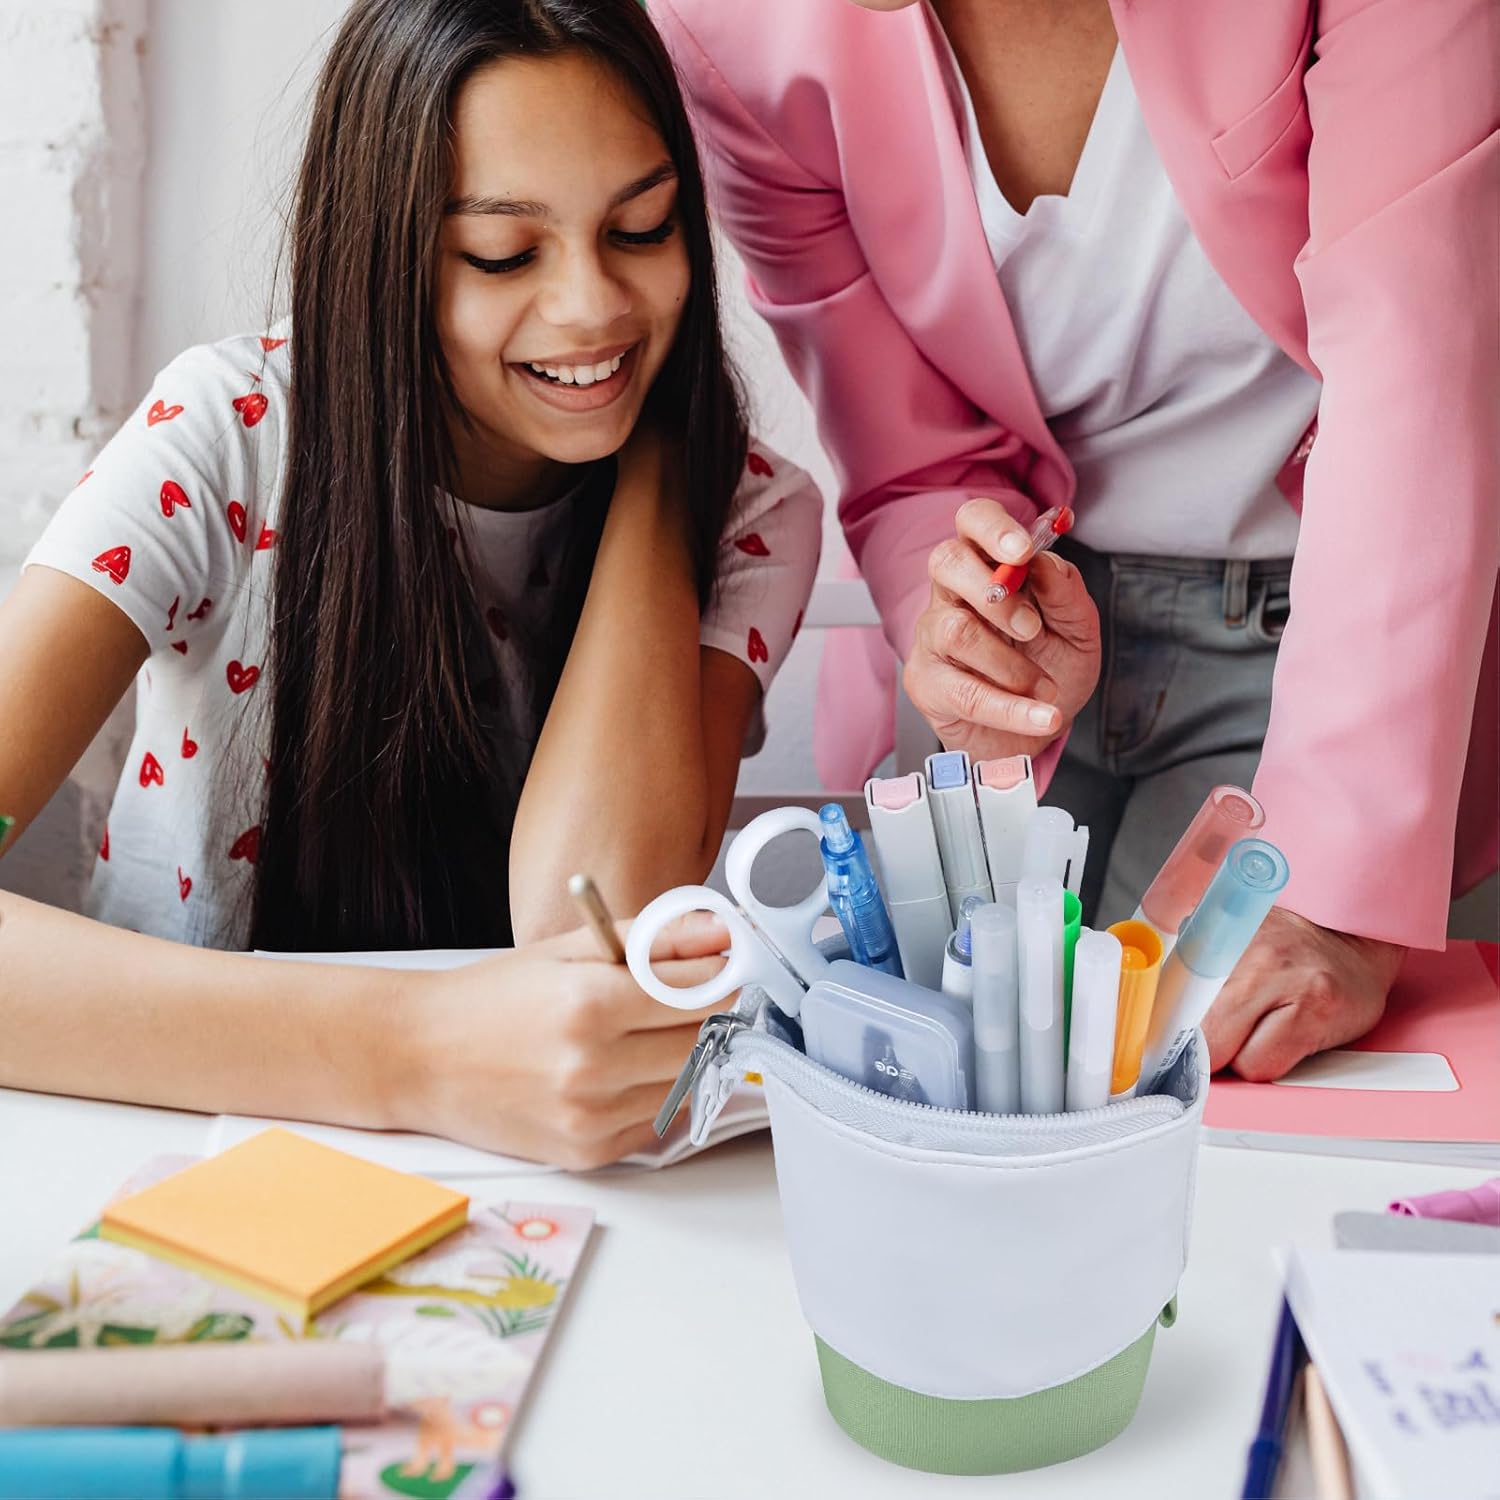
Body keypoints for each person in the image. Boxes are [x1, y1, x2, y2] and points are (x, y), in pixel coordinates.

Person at [0, 0, 821, 1169]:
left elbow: (596, 899)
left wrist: (655, 463)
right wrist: (419, 1052)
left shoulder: (748, 511)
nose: (593, 304)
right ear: (380, 257)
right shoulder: (224, 439)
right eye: (504, 253)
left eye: (642, 229)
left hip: (539, 1179)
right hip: (174, 1142)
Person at [650, 0, 1498, 1081]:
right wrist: (961, 629)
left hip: (1323, 652)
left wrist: (1333, 883)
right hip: (1024, 647)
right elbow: (903, 449)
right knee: (956, 1092)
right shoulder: (731, 31)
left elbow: (1417, 363)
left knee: (1215, 1093)